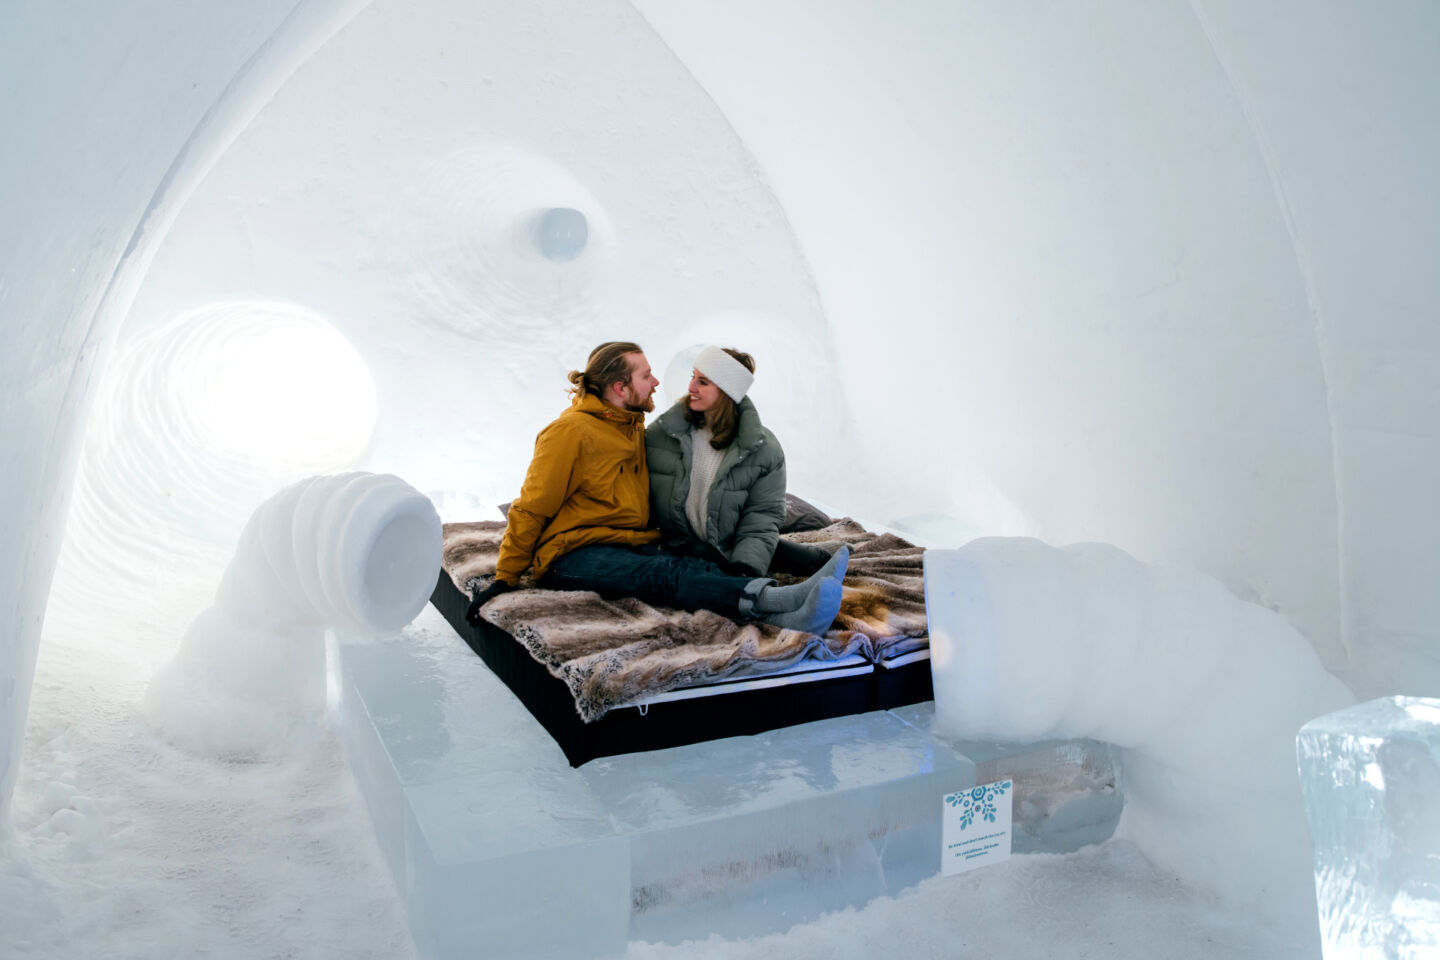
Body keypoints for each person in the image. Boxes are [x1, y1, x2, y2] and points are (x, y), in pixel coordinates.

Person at [466, 341, 847, 634]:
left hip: (626, 541)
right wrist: (505, 577)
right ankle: (774, 601)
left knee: (689, 561)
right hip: (572, 554)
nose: (658, 382)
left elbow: (749, 512)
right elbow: (532, 506)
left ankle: (803, 575)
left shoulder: (630, 427)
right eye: (646, 375)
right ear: (620, 387)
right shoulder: (571, 433)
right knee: (668, 576)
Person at [646, 345, 837, 577]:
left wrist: (744, 568)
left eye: (703, 382)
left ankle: (826, 558)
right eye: (692, 377)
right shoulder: (663, 434)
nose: (691, 387)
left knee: (805, 560)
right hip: (683, 545)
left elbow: (762, 515)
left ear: (727, 391)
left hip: (732, 542)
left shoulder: (763, 448)